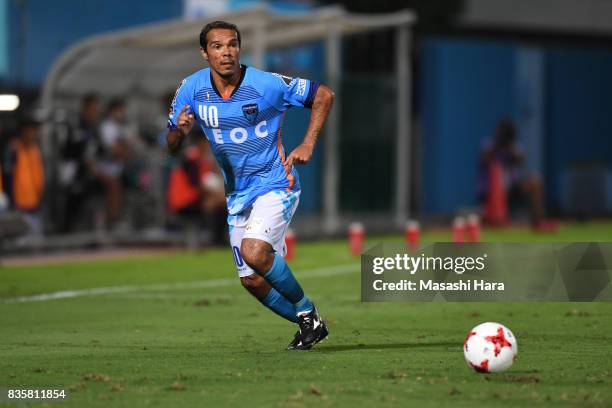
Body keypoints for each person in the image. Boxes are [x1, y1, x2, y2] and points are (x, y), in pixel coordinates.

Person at [166, 21, 335, 350]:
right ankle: (309, 321)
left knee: (254, 252)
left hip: (276, 183)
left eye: (232, 44)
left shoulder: (265, 84)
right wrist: (180, 134)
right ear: (205, 53)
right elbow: (170, 141)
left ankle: (307, 311)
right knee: (252, 280)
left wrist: (309, 143)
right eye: (217, 46)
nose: (226, 51)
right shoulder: (190, 88)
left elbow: (324, 94)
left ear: (239, 48)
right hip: (237, 196)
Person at [478, 119, 554, 229]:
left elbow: (521, 158)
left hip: (511, 188)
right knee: (496, 189)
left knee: (535, 181)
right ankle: (492, 220)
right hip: (492, 190)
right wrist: (497, 147)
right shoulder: (489, 145)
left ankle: (538, 221)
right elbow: (484, 158)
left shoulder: (513, 148)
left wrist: (511, 150)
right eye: (502, 134)